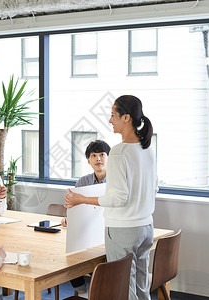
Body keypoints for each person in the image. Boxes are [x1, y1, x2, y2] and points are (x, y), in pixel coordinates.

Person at [65, 95, 158, 300]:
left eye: (113, 115)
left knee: (124, 288)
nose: (110, 120)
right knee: (141, 285)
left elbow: (118, 198)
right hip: (146, 227)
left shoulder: (118, 152)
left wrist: (81, 199)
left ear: (126, 118)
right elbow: (155, 188)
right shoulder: (147, 149)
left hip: (123, 229)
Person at [63, 139, 111, 295]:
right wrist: (67, 217)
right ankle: (82, 293)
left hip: (108, 233)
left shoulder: (116, 181)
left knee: (103, 266)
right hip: (87, 232)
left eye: (102, 155)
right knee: (71, 258)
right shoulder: (83, 181)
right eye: (94, 155)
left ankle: (102, 293)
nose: (98, 159)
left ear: (109, 158)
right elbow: (73, 205)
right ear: (88, 161)